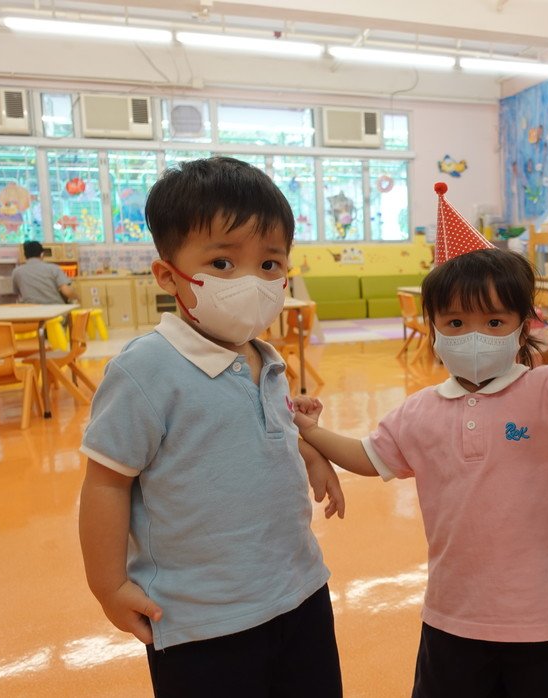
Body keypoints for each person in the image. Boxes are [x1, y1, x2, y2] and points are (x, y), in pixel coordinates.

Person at [292, 184, 548, 698]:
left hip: (544, 616)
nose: (475, 335)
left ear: (521, 327)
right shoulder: (419, 411)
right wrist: (313, 432)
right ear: (433, 327)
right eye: (455, 322)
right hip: (453, 615)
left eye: (494, 321)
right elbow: (367, 457)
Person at [78, 157, 345, 697]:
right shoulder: (145, 370)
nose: (252, 281)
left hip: (300, 591)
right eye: (222, 263)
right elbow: (106, 483)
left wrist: (311, 453)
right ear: (167, 275)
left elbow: (259, 430)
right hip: (200, 619)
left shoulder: (266, 357)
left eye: (269, 264)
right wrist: (109, 586)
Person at [12, 239, 78, 304]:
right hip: (55, 307)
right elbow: (67, 291)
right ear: (42, 254)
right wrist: (78, 298)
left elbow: (17, 293)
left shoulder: (17, 272)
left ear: (25, 255)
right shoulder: (54, 268)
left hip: (31, 308)